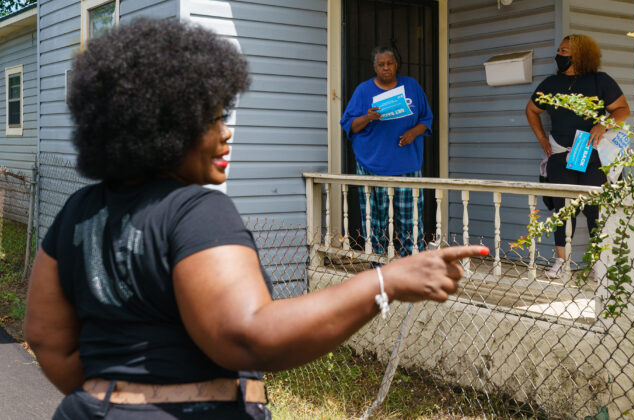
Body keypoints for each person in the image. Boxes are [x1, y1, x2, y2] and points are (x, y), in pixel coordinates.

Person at [22, 19, 489, 419]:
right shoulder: (196, 212)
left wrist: (116, 401)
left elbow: (46, 339)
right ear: (162, 125)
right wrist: (385, 281)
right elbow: (249, 336)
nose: (227, 133)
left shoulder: (76, 214)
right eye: (212, 120)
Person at [525, 34, 631, 278]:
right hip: (560, 155)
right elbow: (531, 110)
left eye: (565, 51)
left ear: (580, 55)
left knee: (595, 209)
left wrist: (603, 124)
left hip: (592, 155)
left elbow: (622, 110)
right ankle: (562, 262)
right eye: (560, 50)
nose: (559, 55)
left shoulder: (599, 81)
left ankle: (598, 263)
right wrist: (542, 138)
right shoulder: (550, 84)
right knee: (562, 210)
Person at [340, 46, 433, 256]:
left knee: (410, 219)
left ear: (396, 64)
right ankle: (378, 264)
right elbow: (349, 125)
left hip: (406, 164)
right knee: (375, 220)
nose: (386, 68)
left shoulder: (411, 86)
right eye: (381, 65)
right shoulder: (363, 91)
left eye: (389, 63)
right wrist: (367, 117)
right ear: (374, 67)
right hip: (372, 164)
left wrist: (413, 132)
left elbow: (426, 120)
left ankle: (411, 262)